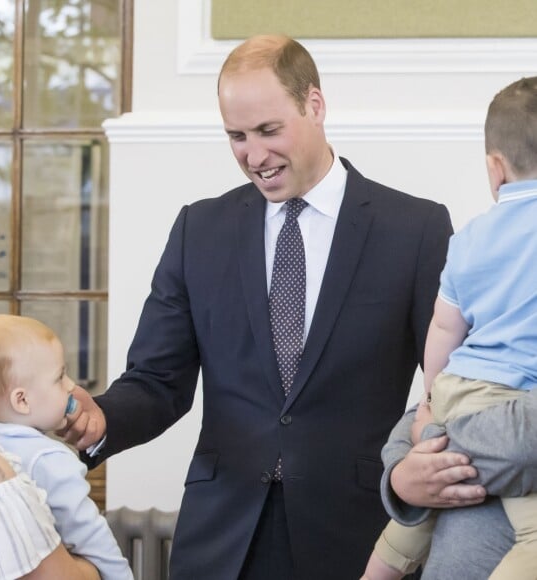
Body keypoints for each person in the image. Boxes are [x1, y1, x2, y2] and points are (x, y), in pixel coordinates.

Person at [58, 34, 453, 580]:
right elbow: (157, 380)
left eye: (269, 131)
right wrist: (102, 418)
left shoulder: (416, 230)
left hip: (357, 541)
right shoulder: (200, 229)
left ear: (314, 105)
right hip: (221, 542)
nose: (254, 155)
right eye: (237, 136)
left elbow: (449, 386)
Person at [365, 76, 537, 579]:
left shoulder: (470, 238)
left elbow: (443, 328)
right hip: (513, 403)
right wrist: (405, 466)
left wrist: (434, 405)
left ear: (495, 167)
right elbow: (408, 472)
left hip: (462, 392)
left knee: (423, 501)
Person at [0, 314, 133, 580]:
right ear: (22, 401)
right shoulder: (51, 459)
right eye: (60, 377)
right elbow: (90, 536)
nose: (72, 386)